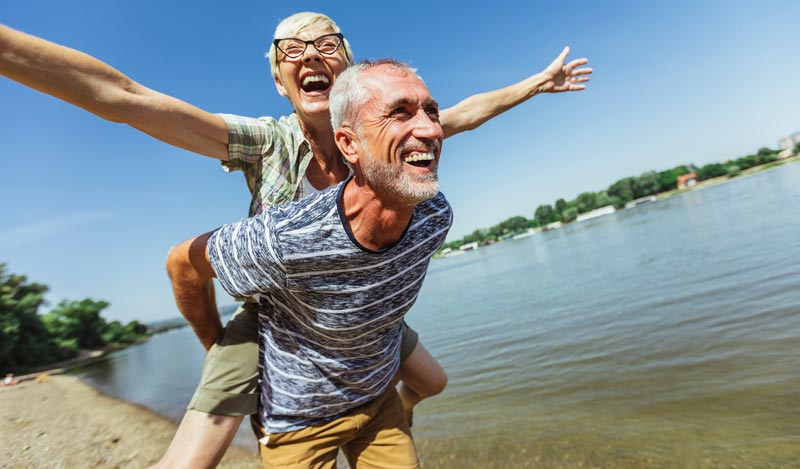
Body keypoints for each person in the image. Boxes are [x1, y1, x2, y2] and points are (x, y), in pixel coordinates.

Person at [0, 11, 591, 467]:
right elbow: (127, 98)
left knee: (431, 382)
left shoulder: (388, 128)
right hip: (275, 312)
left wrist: (536, 83)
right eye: (292, 49)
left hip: (354, 306)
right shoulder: (263, 142)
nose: (311, 55)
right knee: (190, 458)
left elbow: (465, 111)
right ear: (280, 79)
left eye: (326, 44)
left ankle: (388, 414)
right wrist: (215, 343)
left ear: (348, 70)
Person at [167, 58, 454, 468]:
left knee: (434, 382)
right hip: (300, 422)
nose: (430, 129)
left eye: (432, 112)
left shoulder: (435, 215)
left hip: (378, 403)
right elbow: (182, 262)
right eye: (400, 113)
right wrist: (213, 343)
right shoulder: (288, 237)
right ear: (349, 144)